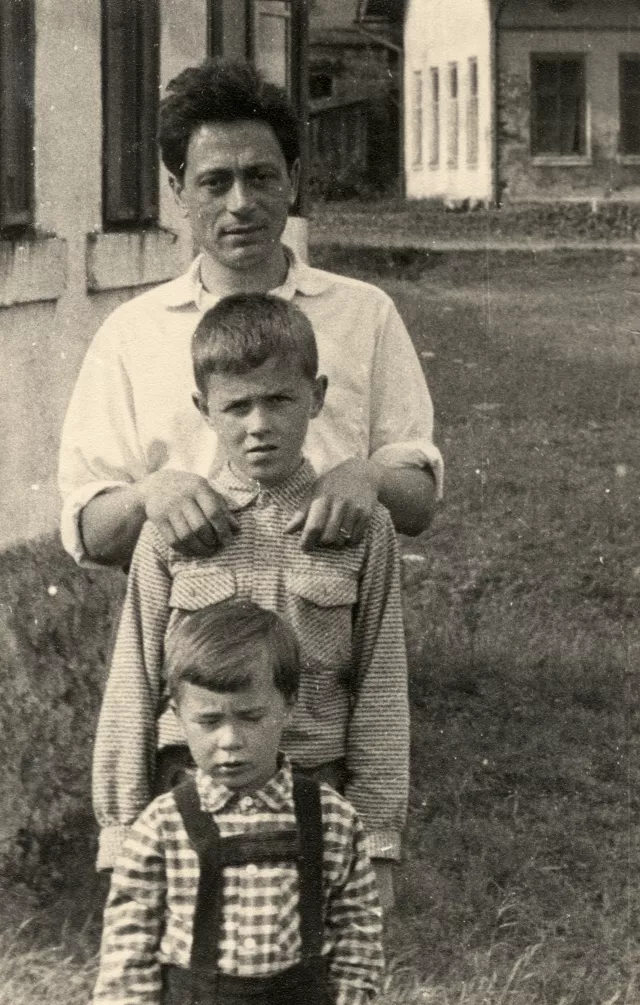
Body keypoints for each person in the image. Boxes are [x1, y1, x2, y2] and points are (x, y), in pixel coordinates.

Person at [93, 293, 409, 914]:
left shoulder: (363, 530)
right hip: (190, 789)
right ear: (204, 409)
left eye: (280, 400)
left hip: (316, 794)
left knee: (303, 964)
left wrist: (377, 839)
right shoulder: (173, 527)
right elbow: (133, 681)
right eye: (237, 405)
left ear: (316, 397)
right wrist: (121, 828)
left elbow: (381, 688)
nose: (259, 424)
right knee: (193, 963)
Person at [58, 58, 443, 570]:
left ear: (293, 180)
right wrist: (151, 494)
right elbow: (89, 529)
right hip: (195, 630)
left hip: (330, 615)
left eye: (260, 176)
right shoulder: (132, 333)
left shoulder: (363, 313)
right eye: (215, 183)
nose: (241, 203)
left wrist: (368, 477)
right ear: (179, 192)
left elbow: (419, 503)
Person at [93, 599, 384, 1005]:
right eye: (209, 721)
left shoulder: (333, 820)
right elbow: (128, 955)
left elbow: (358, 937)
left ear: (288, 705)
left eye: (251, 716)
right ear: (177, 716)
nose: (230, 741)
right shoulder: (161, 827)